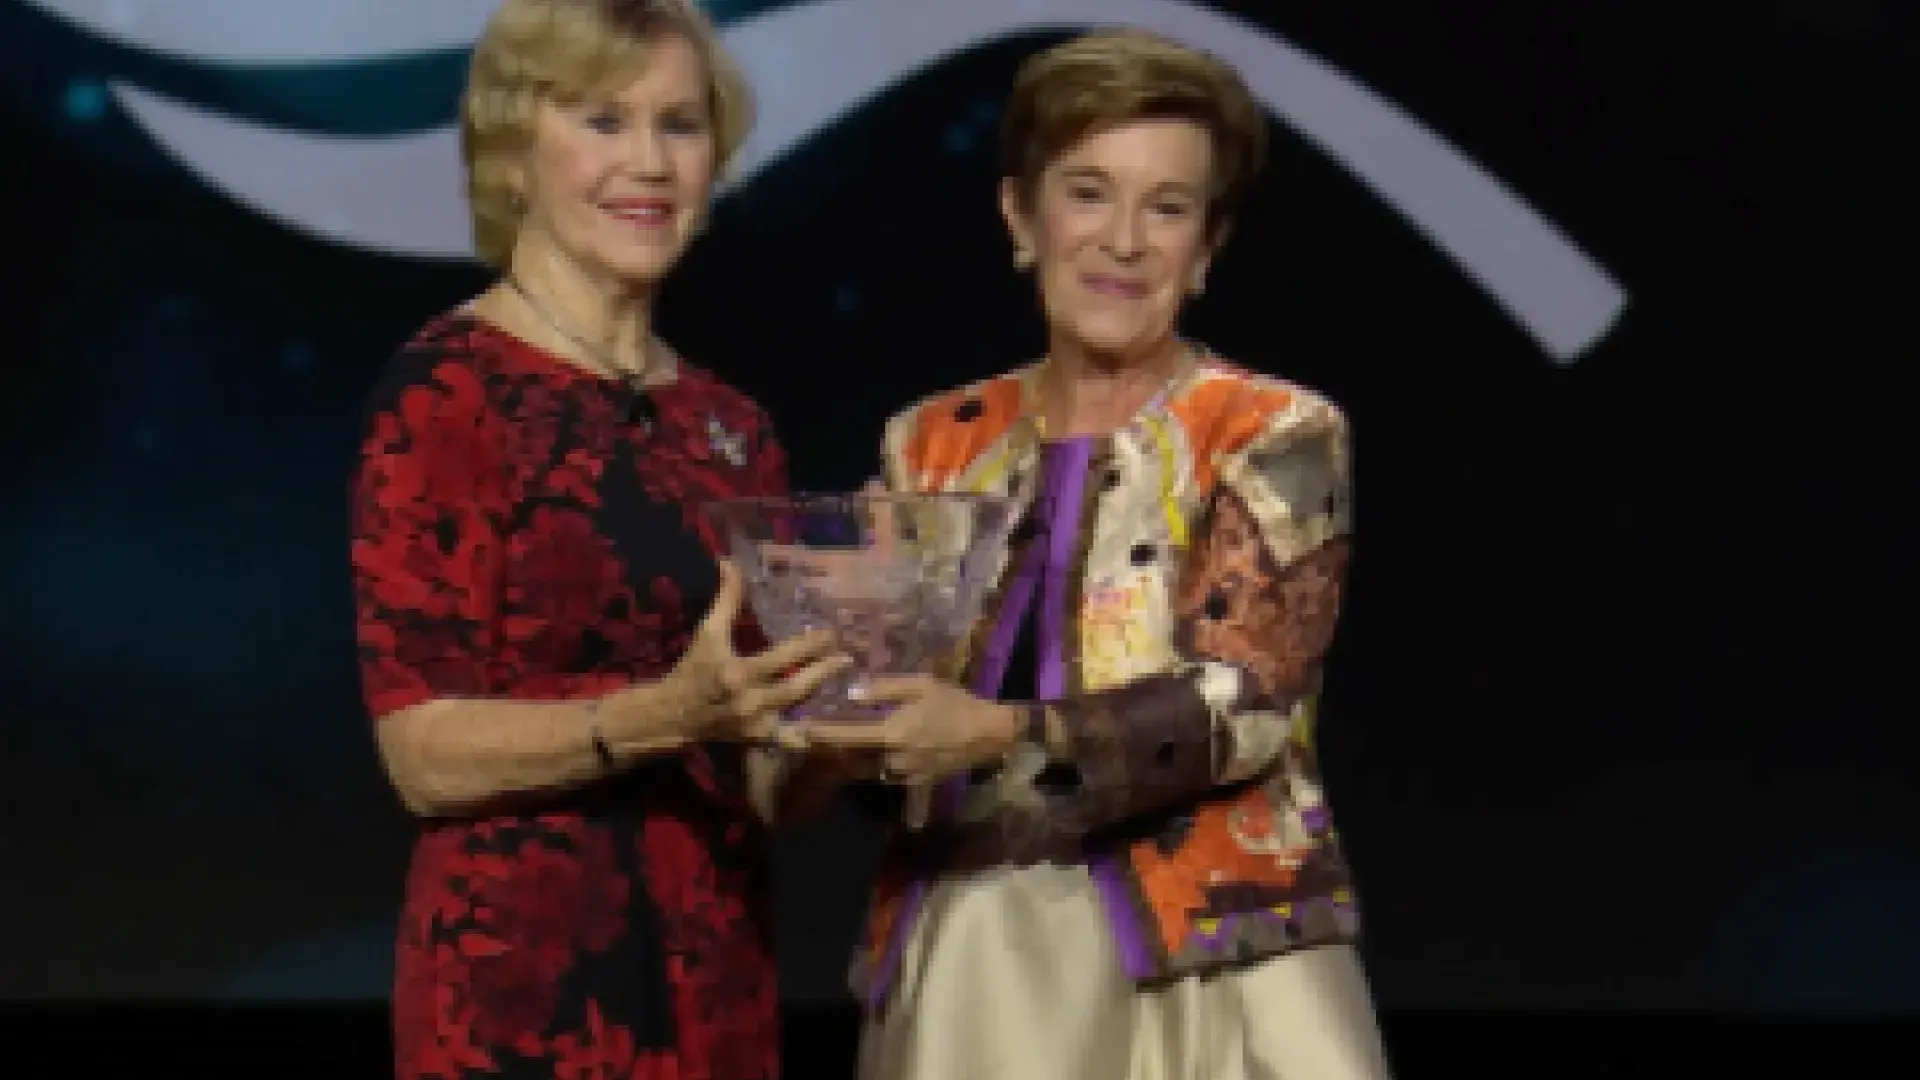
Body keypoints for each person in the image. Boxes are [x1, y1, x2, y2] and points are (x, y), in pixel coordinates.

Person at [800, 28, 1396, 1080]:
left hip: (1214, 963)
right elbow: (892, 734)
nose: (1123, 240)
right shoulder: (928, 440)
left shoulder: (1276, 430)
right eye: (1087, 192)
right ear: (1020, 216)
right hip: (970, 962)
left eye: (1166, 207)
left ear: (1206, 247)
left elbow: (1249, 702)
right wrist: (832, 691)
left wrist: (998, 729)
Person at [347, 2, 850, 1077]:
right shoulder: (448, 392)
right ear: (515, 152)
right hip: (518, 1003)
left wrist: (842, 713)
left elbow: (759, 783)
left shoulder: (734, 428)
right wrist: (661, 716)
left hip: (713, 987)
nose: (650, 162)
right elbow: (420, 755)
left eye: (679, 125)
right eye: (604, 121)